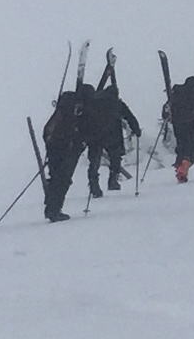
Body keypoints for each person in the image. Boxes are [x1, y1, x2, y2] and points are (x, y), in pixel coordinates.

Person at [39, 77, 90, 222]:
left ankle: (51, 209)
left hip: (54, 153)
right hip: (64, 154)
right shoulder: (69, 118)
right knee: (62, 181)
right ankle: (54, 210)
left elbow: (47, 133)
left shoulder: (58, 116)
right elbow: (73, 137)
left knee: (56, 180)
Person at [89, 56, 141, 197]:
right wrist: (136, 129)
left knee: (94, 160)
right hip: (113, 136)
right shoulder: (117, 103)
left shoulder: (95, 103)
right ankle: (113, 180)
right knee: (115, 159)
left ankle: (94, 185)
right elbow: (129, 116)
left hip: (96, 135)